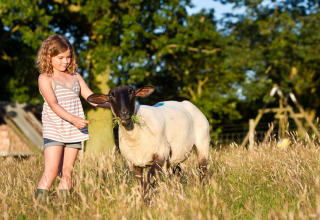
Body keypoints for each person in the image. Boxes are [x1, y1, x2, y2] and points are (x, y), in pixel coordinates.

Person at [35, 34, 110, 202]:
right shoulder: (45, 78)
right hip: (55, 128)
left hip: (75, 129)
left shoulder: (76, 77)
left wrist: (114, 105)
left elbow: (91, 98)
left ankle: (62, 208)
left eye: (68, 57)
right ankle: (38, 209)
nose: (65, 61)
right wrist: (74, 119)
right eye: (60, 57)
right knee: (52, 170)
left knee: (67, 171)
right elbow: (53, 104)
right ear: (49, 57)